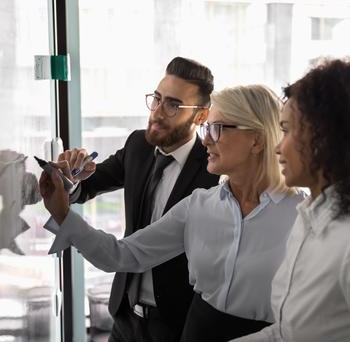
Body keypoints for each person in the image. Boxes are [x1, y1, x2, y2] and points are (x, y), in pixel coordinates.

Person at [40, 84, 304, 342]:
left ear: (257, 140)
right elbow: (122, 255)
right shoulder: (198, 206)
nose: (206, 139)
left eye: (217, 128)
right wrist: (64, 215)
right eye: (206, 128)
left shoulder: (302, 215)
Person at [56, 57, 220, 342]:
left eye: (172, 105)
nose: (157, 112)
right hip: (124, 318)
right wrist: (73, 175)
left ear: (201, 116)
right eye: (156, 99)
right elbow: (86, 186)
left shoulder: (213, 170)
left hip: (177, 325)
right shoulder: (138, 146)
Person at [231, 58, 350, 342]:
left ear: (322, 137)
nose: (277, 147)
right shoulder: (308, 217)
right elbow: (286, 334)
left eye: (286, 130)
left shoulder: (345, 240)